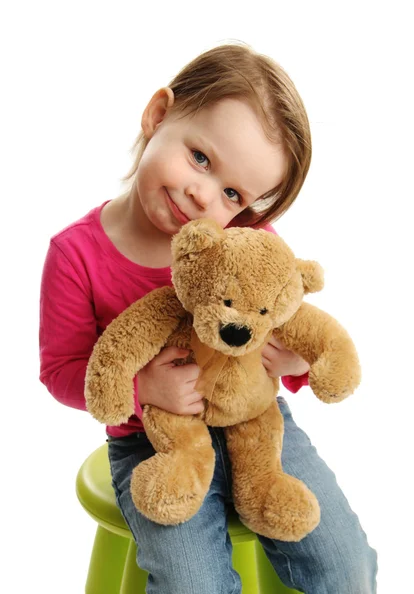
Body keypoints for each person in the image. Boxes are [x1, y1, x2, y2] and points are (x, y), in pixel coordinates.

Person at [39, 43, 377, 593]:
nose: (202, 196)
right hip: (152, 442)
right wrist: (143, 386)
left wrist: (290, 363)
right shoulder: (76, 255)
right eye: (200, 157)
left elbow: (284, 316)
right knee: (194, 585)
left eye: (231, 193)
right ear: (158, 117)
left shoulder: (244, 242)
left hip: (259, 426)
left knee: (347, 564)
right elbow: (61, 371)